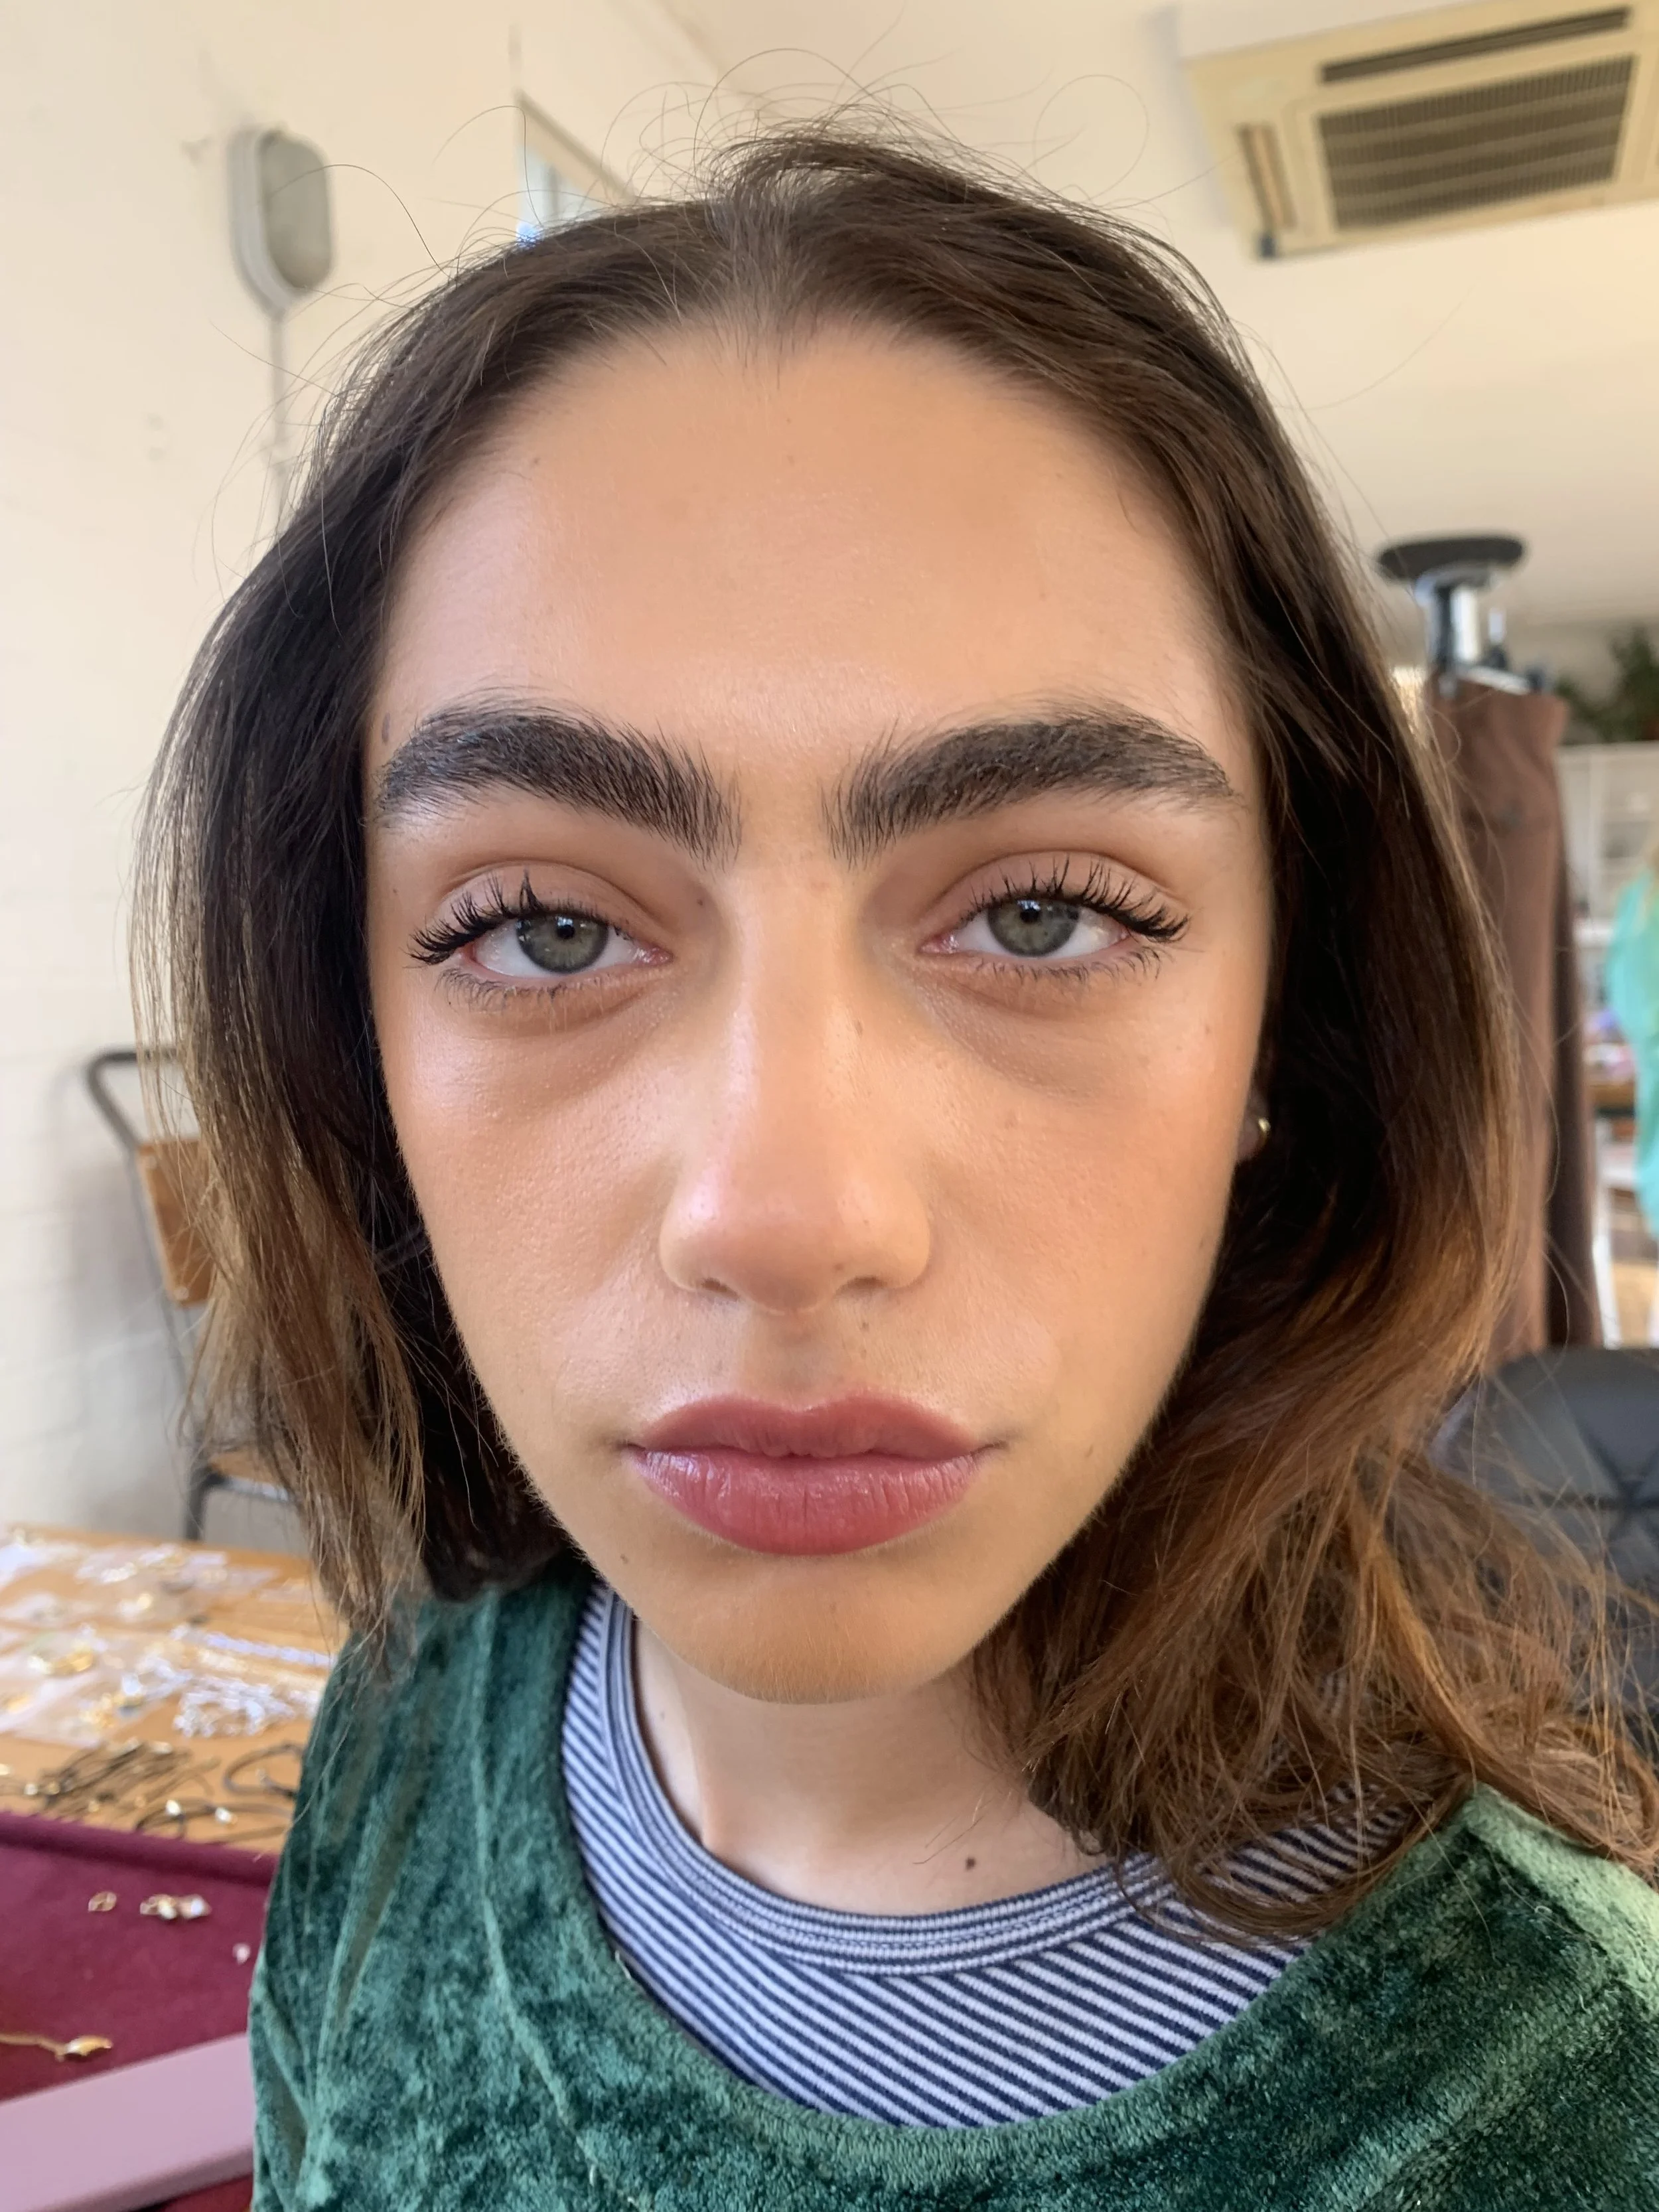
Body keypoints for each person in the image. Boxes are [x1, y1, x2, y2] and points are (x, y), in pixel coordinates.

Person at [137, 130, 1659, 2208]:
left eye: (1039, 915)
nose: (788, 1215)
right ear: (352, 1036)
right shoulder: (413, 1719)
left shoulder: (1567, 2113)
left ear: (1279, 1039)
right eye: (547, 928)